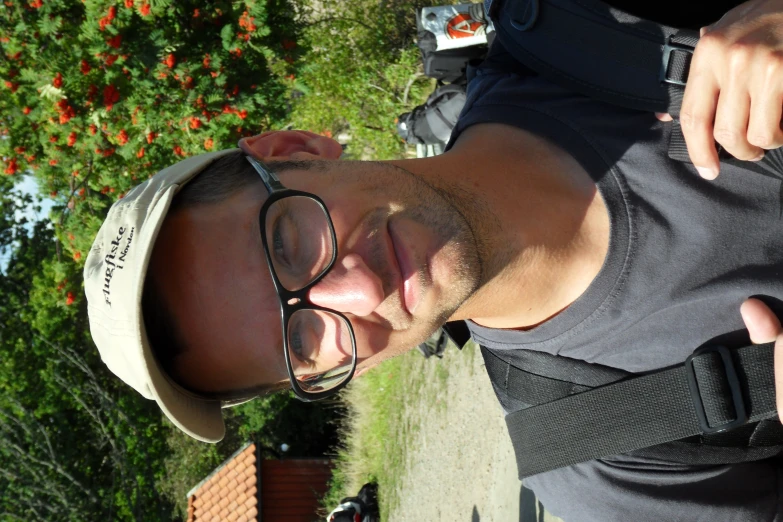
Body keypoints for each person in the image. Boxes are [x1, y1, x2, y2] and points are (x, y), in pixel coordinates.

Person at [85, 0, 783, 519]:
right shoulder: (602, 463)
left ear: (293, 149)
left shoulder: (594, 23)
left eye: (286, 243)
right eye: (301, 337)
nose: (355, 290)